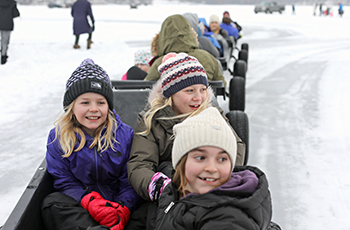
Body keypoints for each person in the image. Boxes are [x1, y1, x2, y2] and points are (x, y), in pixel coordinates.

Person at [125, 52, 246, 230]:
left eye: (203, 90)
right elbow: (139, 163)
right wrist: (158, 185)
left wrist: (220, 174)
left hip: (210, 185)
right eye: (189, 91)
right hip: (169, 192)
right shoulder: (152, 120)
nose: (198, 97)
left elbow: (236, 148)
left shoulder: (213, 115)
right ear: (171, 94)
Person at [41, 58, 141, 230]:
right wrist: (89, 201)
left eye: (100, 102)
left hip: (117, 204)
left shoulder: (124, 135)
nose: (94, 109)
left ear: (108, 107)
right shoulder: (59, 138)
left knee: (148, 209)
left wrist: (122, 207)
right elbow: (64, 180)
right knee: (52, 203)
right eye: (85, 102)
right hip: (82, 206)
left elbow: (129, 179)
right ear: (71, 107)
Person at [155, 106, 273, 229]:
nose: (212, 168)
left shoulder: (226, 219)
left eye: (222, 159)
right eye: (201, 158)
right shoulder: (175, 192)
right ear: (181, 162)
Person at [143, 14, 226, 86]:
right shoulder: (208, 58)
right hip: (204, 102)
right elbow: (221, 84)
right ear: (190, 32)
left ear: (162, 37)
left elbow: (146, 88)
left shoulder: (159, 63)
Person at [0, 0, 20, 65]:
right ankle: (3, 56)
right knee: (5, 41)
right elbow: (16, 14)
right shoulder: (12, 3)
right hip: (7, 24)